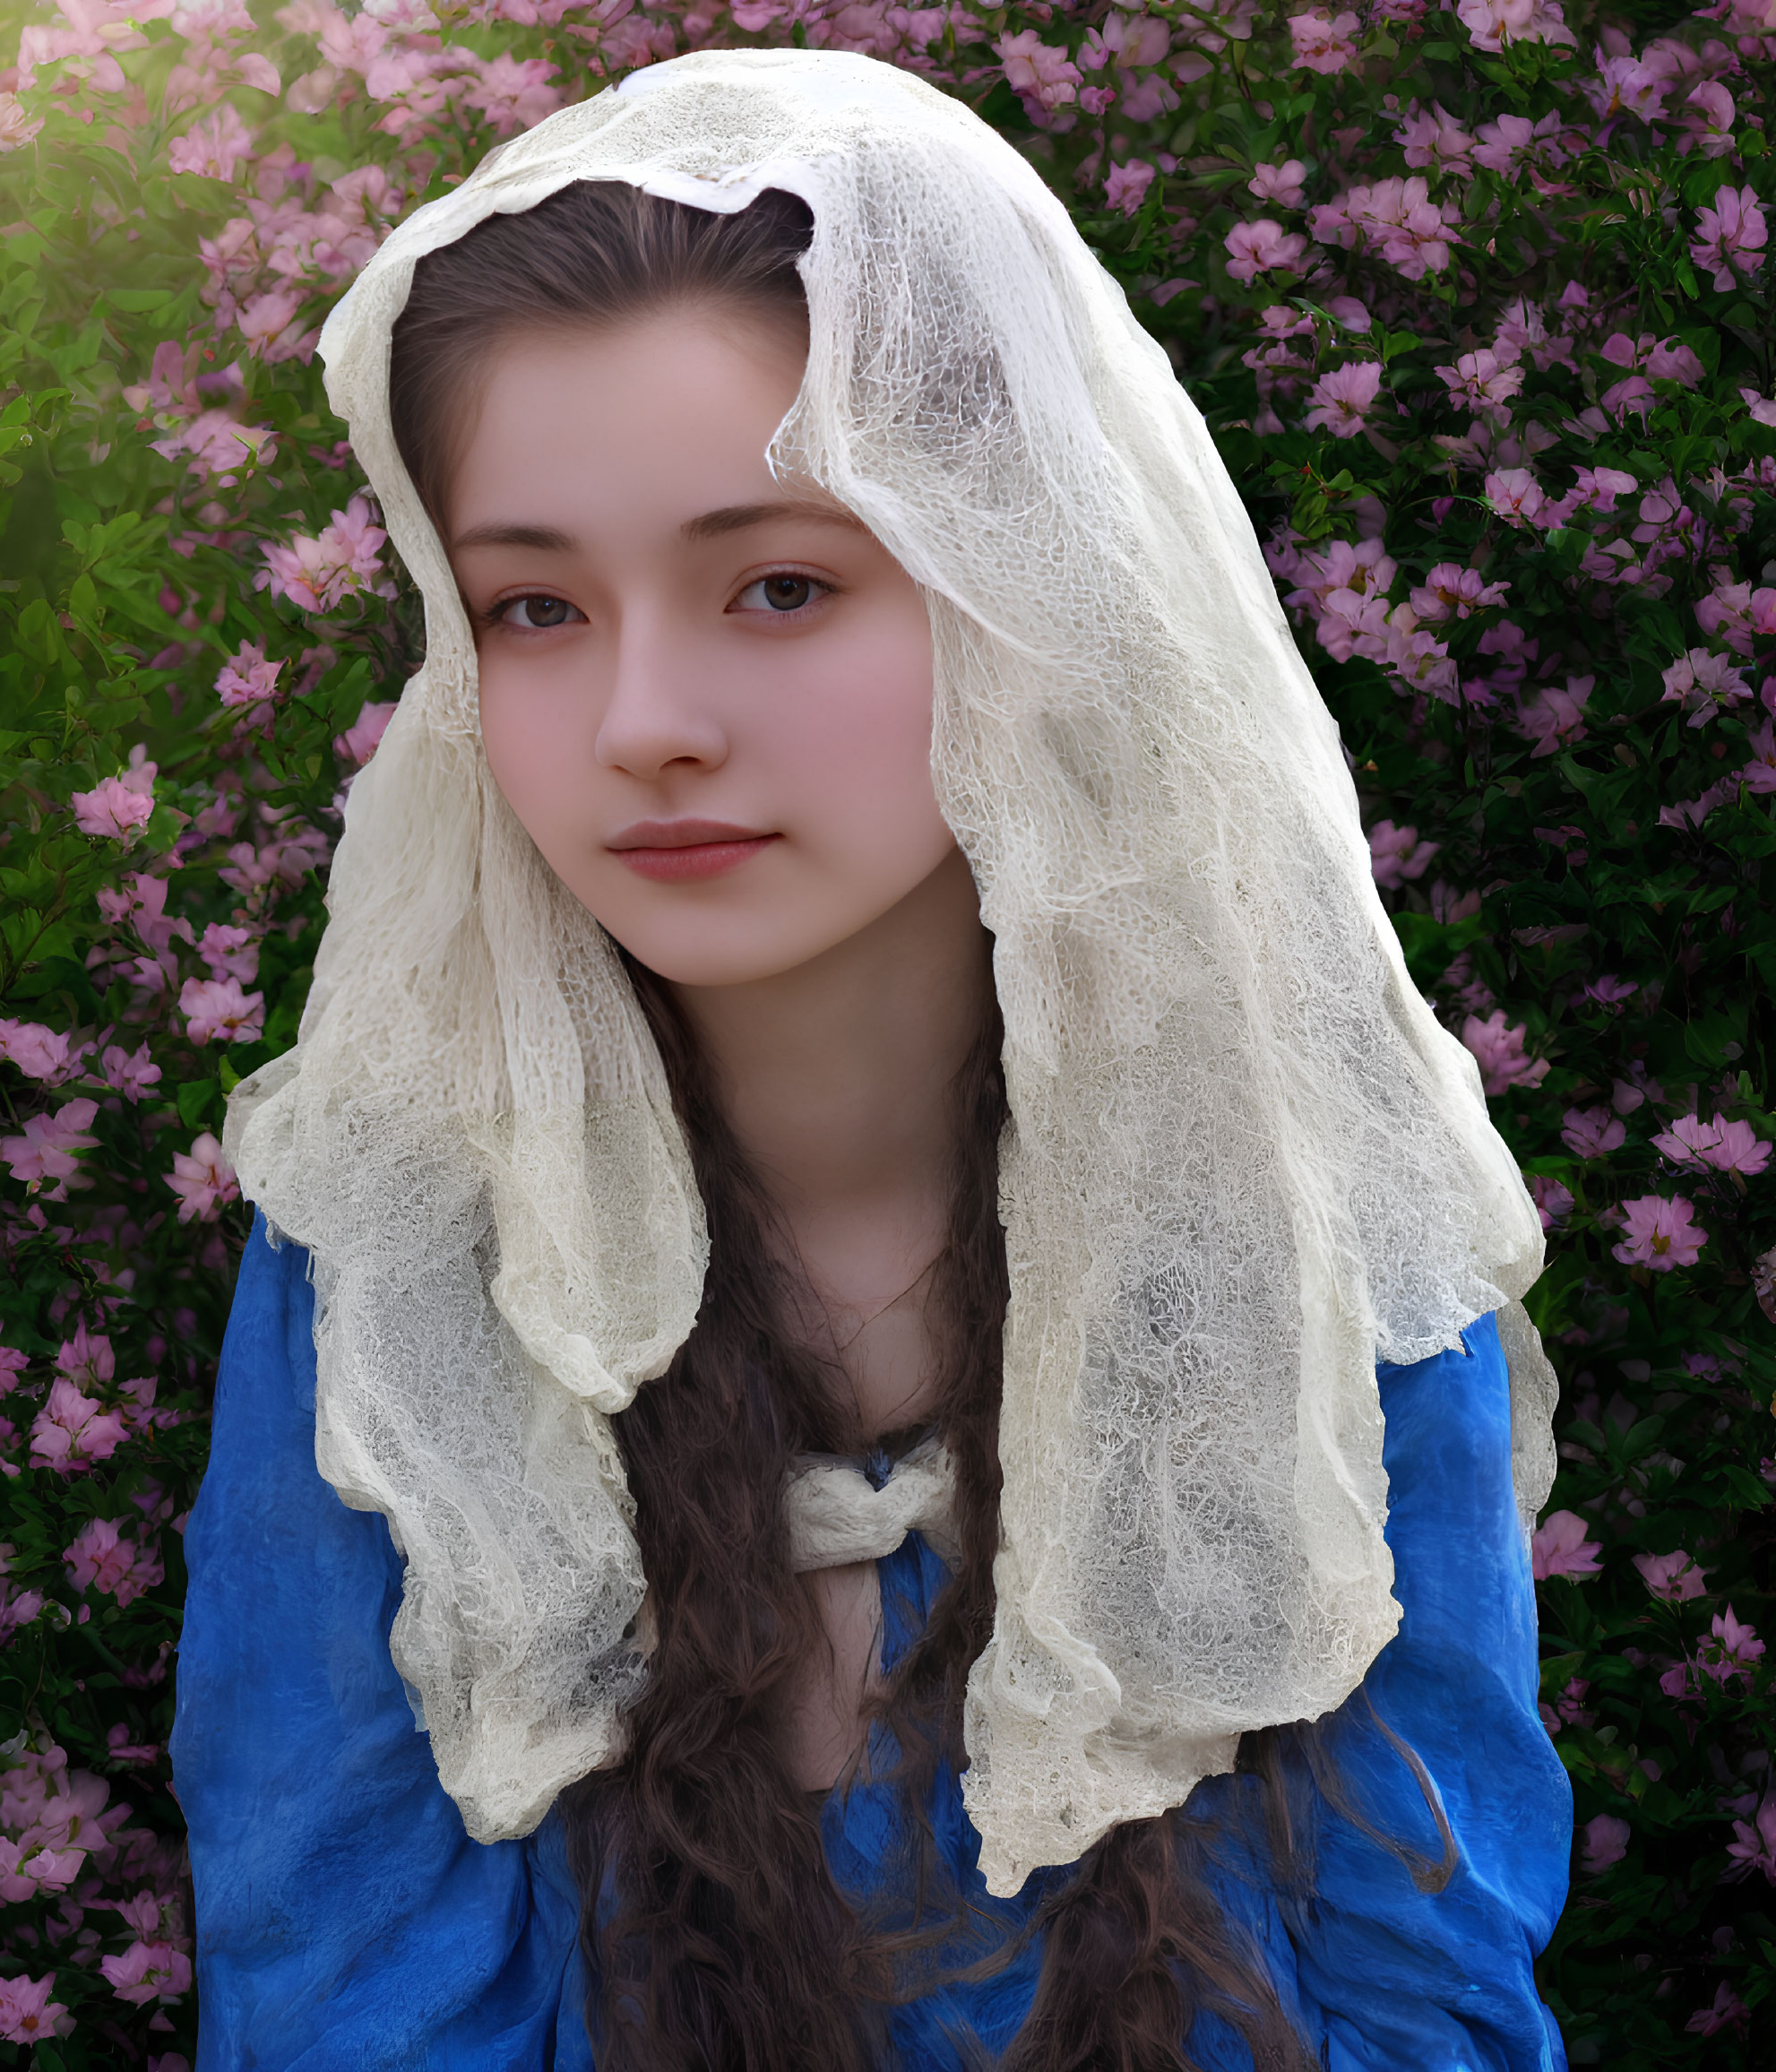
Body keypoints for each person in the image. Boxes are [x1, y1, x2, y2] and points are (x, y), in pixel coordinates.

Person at [172, 47, 1573, 2071]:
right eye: (536, 607)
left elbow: (1419, 1996)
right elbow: (341, 2009)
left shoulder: (1296, 1213)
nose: (645, 715)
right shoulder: (401, 1263)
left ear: (1021, 589)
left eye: (778, 585)